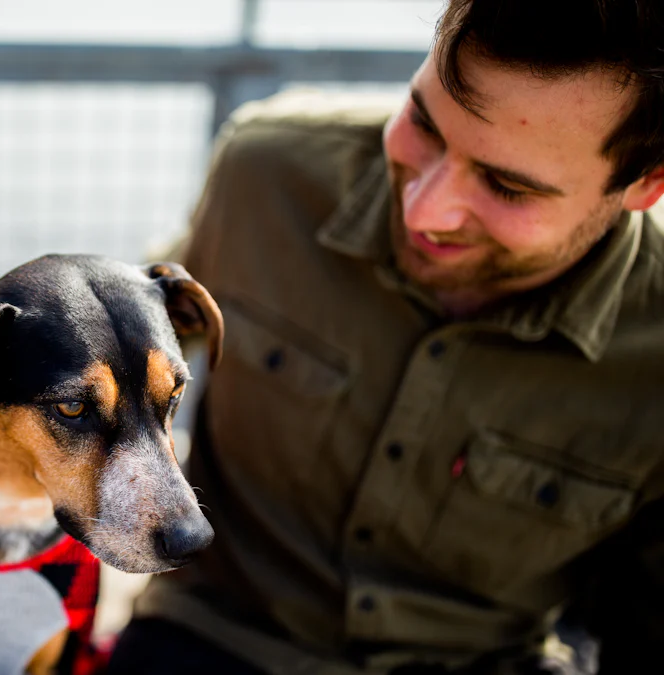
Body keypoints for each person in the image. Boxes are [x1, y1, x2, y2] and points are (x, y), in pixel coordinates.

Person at [107, 1, 664, 674]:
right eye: (423, 125)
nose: (425, 207)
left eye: (507, 186)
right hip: (207, 638)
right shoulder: (266, 171)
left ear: (646, 183)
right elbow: (134, 341)